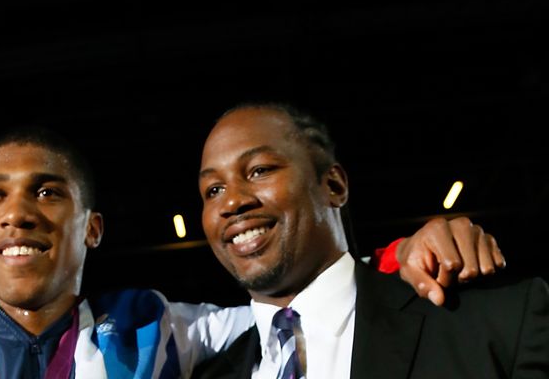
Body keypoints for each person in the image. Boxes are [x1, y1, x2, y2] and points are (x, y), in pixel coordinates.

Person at [0, 123, 506, 379]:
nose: (17, 213)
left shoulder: (155, 329)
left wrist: (406, 253)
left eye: (47, 193)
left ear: (92, 229)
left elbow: (314, 308)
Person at [190, 102, 549, 378]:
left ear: (334, 186)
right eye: (214, 189)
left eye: (259, 170)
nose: (232, 202)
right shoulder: (207, 373)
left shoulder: (494, 321)